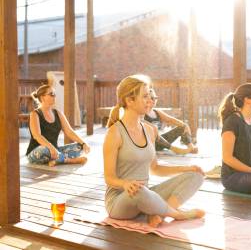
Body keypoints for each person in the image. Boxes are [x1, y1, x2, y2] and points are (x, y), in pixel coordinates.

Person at [103, 75, 205, 228]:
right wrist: (125, 184)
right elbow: (109, 178)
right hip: (120, 202)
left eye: (150, 96)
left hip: (145, 194)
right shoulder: (115, 133)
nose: (150, 100)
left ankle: (156, 213)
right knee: (139, 190)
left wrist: (187, 168)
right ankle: (177, 214)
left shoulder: (150, 130)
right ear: (129, 100)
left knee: (196, 176)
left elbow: (156, 168)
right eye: (145, 96)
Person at [26, 85, 90, 166]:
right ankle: (68, 161)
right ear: (42, 97)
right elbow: (37, 136)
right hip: (38, 152)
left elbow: (69, 131)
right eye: (51, 94)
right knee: (45, 149)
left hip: (55, 151)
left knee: (79, 147)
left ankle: (57, 160)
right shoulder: (35, 114)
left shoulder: (58, 113)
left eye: (54, 94)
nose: (54, 96)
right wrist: (51, 148)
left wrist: (83, 143)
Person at [144, 89, 198, 155]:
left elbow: (171, 120)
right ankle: (175, 149)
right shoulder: (142, 113)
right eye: (152, 98)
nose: (154, 100)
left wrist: (184, 126)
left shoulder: (156, 112)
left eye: (155, 98)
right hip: (149, 143)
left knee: (182, 127)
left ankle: (191, 148)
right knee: (154, 133)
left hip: (161, 142)